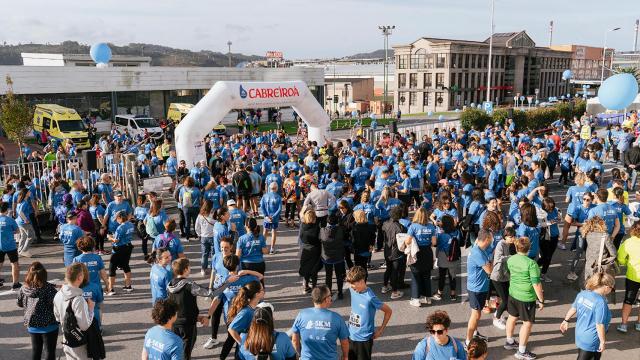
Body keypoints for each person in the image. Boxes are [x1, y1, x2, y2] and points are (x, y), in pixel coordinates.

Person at [504, 237, 545, 360]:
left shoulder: (511, 259)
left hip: (513, 294)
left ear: (516, 247)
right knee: (527, 323)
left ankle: (509, 341)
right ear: (529, 248)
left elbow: (508, 272)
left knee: (512, 317)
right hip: (526, 298)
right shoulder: (532, 264)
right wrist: (541, 300)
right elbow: (536, 284)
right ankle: (521, 351)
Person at [167, 258, 216, 360]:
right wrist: (227, 282)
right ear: (185, 270)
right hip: (188, 324)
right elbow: (210, 293)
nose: (190, 268)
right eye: (189, 267)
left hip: (174, 321)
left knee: (176, 348)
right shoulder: (190, 285)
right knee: (186, 351)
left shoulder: (170, 284)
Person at [559, 272, 614, 360]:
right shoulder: (600, 302)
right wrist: (603, 342)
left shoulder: (583, 294)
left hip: (580, 333)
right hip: (591, 339)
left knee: (593, 356)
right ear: (606, 287)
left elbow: (574, 308)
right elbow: (599, 324)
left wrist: (565, 320)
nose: (611, 290)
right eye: (612, 288)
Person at [345, 265, 392, 360]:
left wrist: (380, 330)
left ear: (362, 281)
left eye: (354, 287)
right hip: (350, 335)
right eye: (351, 286)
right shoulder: (352, 289)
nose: (352, 289)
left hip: (364, 339)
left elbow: (388, 311)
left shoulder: (370, 298)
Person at [291, 285, 349, 360]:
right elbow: (344, 342)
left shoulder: (301, 314)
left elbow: (295, 340)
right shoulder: (337, 318)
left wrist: (300, 354)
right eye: (330, 295)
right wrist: (345, 356)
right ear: (326, 299)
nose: (331, 297)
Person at [17, 261, 59, 360]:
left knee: (36, 351)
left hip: (32, 325)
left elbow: (19, 303)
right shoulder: (48, 289)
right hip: (49, 325)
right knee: (49, 351)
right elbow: (56, 305)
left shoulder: (24, 288)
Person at [53, 262, 95, 360]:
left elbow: (57, 317)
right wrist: (91, 309)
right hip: (79, 341)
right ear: (79, 277)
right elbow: (84, 326)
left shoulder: (58, 294)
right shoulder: (78, 299)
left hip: (67, 338)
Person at [465, 229, 493, 346]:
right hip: (476, 289)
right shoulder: (478, 253)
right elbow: (489, 270)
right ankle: (468, 341)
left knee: (478, 314)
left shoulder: (479, 248)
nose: (492, 241)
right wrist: (491, 262)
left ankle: (475, 334)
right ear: (486, 239)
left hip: (480, 287)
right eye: (491, 239)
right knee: (475, 315)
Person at [405, 207, 437, 307]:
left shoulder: (413, 226)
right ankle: (428, 297)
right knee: (426, 275)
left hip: (416, 252)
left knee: (415, 276)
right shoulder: (431, 227)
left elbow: (408, 241)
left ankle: (415, 299)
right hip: (427, 251)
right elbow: (434, 242)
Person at [225, 280, 265, 359]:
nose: (264, 291)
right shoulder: (246, 312)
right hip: (246, 353)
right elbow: (231, 329)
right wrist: (243, 344)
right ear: (257, 294)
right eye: (262, 290)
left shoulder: (256, 307)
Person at [616, 220, 640, 333]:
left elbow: (620, 258)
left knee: (628, 300)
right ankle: (639, 324)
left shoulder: (628, 242)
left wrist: (627, 263)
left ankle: (624, 324)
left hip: (633, 276)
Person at [491, 226, 516, 330]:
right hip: (498, 277)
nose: (513, 238)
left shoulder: (510, 244)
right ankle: (496, 319)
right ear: (505, 237)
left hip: (505, 276)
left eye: (513, 236)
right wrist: (511, 258)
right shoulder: (501, 244)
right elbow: (498, 259)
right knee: (505, 300)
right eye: (510, 237)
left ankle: (498, 313)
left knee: (507, 298)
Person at [433, 214, 461, 302]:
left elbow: (437, 245)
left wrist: (436, 256)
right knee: (452, 275)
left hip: (443, 256)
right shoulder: (457, 232)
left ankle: (439, 292)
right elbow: (460, 242)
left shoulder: (441, 234)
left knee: (442, 275)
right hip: (454, 256)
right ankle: (453, 294)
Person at [106, 211, 134, 296]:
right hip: (128, 247)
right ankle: (128, 286)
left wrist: (110, 237)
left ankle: (110, 289)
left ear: (120, 218)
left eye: (117, 219)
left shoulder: (120, 227)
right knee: (125, 265)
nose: (116, 221)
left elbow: (116, 240)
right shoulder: (130, 224)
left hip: (119, 249)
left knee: (112, 268)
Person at [320, 212, 347, 300]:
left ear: (328, 222)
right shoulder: (341, 229)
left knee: (328, 275)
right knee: (339, 275)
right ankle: (340, 293)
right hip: (339, 256)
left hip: (327, 257)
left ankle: (329, 293)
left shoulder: (322, 230)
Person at [299, 208, 322, 294]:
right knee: (314, 269)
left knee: (306, 268)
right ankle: (314, 286)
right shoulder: (316, 227)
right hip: (315, 250)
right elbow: (319, 239)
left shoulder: (302, 225)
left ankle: (305, 285)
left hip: (305, 249)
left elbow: (301, 237)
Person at [0, 201, 21, 290]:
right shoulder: (10, 220)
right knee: (14, 263)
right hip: (10, 245)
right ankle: (15, 283)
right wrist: (9, 232)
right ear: (7, 210)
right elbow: (17, 231)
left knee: (0, 263)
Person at [351, 210, 376, 280]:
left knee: (358, 267)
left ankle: (360, 281)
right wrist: (371, 245)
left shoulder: (355, 228)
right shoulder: (369, 226)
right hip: (366, 250)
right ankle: (364, 280)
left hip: (358, 251)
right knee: (364, 266)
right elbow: (373, 237)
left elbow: (353, 240)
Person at [260, 182, 282, 254]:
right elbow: (279, 209)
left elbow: (262, 207)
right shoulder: (278, 197)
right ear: (276, 188)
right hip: (274, 218)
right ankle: (272, 249)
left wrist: (266, 215)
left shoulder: (265, 196)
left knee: (265, 232)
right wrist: (274, 216)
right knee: (273, 232)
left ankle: (262, 248)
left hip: (267, 218)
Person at [195, 200, 215, 277]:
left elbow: (197, 227)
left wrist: (199, 234)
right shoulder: (212, 214)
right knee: (213, 254)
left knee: (204, 254)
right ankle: (213, 268)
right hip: (212, 236)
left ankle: (203, 269)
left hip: (204, 237)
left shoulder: (200, 216)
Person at [179, 176, 202, 240]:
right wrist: (200, 205)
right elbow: (200, 199)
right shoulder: (196, 190)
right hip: (195, 208)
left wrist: (182, 206)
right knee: (195, 222)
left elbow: (180, 199)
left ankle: (187, 236)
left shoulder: (182, 189)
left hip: (186, 208)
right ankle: (196, 234)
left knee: (187, 222)